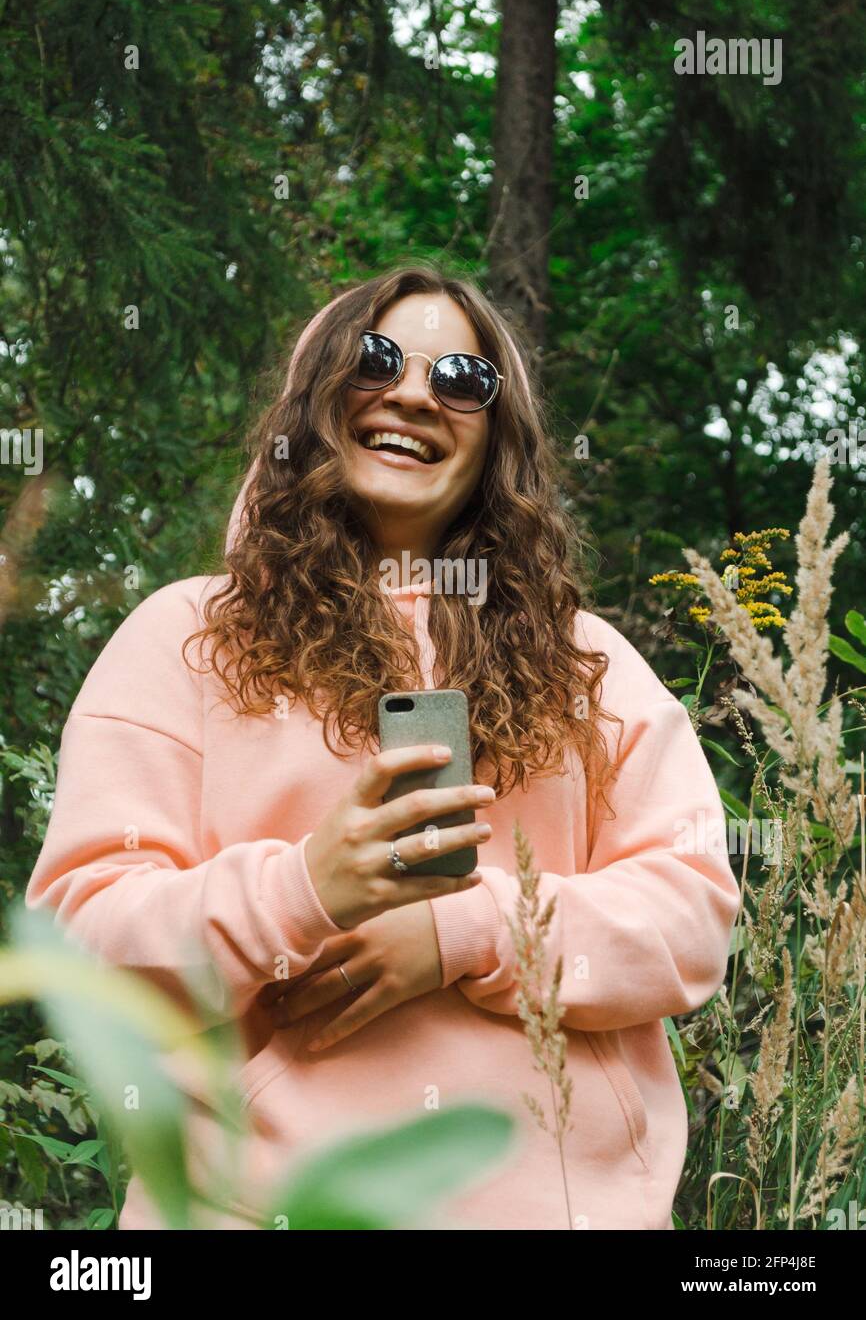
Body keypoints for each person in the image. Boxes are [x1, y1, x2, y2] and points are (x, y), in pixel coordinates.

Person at [27, 263, 740, 1230]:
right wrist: (302, 892)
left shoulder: (590, 666)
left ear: (496, 440)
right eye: (375, 359)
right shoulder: (186, 640)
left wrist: (467, 935)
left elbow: (692, 913)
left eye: (462, 379)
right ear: (312, 402)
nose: (413, 391)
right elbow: (83, 945)